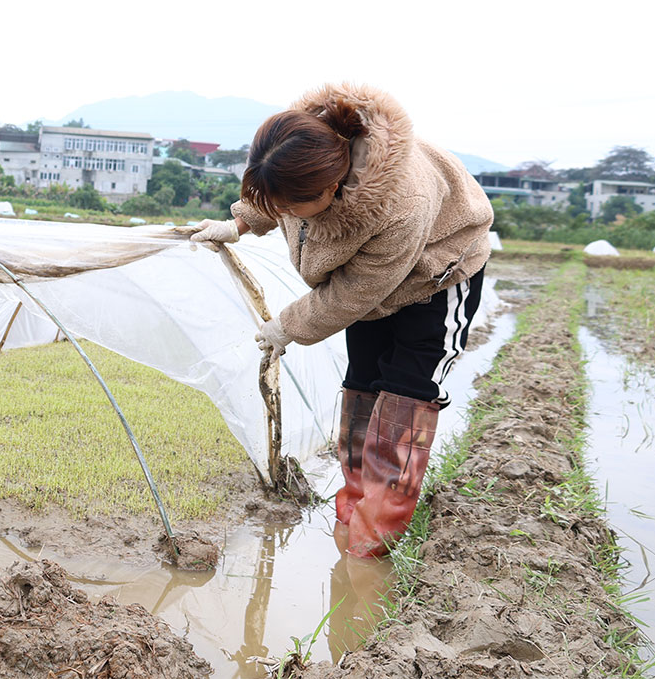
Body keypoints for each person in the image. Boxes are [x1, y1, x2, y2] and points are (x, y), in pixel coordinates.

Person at [191, 82, 492, 557]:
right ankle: (349, 517)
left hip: (436, 276)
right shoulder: (305, 150)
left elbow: (355, 293)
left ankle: (371, 544)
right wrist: (241, 223)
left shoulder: (399, 204)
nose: (284, 214)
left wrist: (287, 326)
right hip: (369, 281)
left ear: (332, 188)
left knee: (407, 395)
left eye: (292, 207)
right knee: (362, 385)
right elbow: (274, 188)